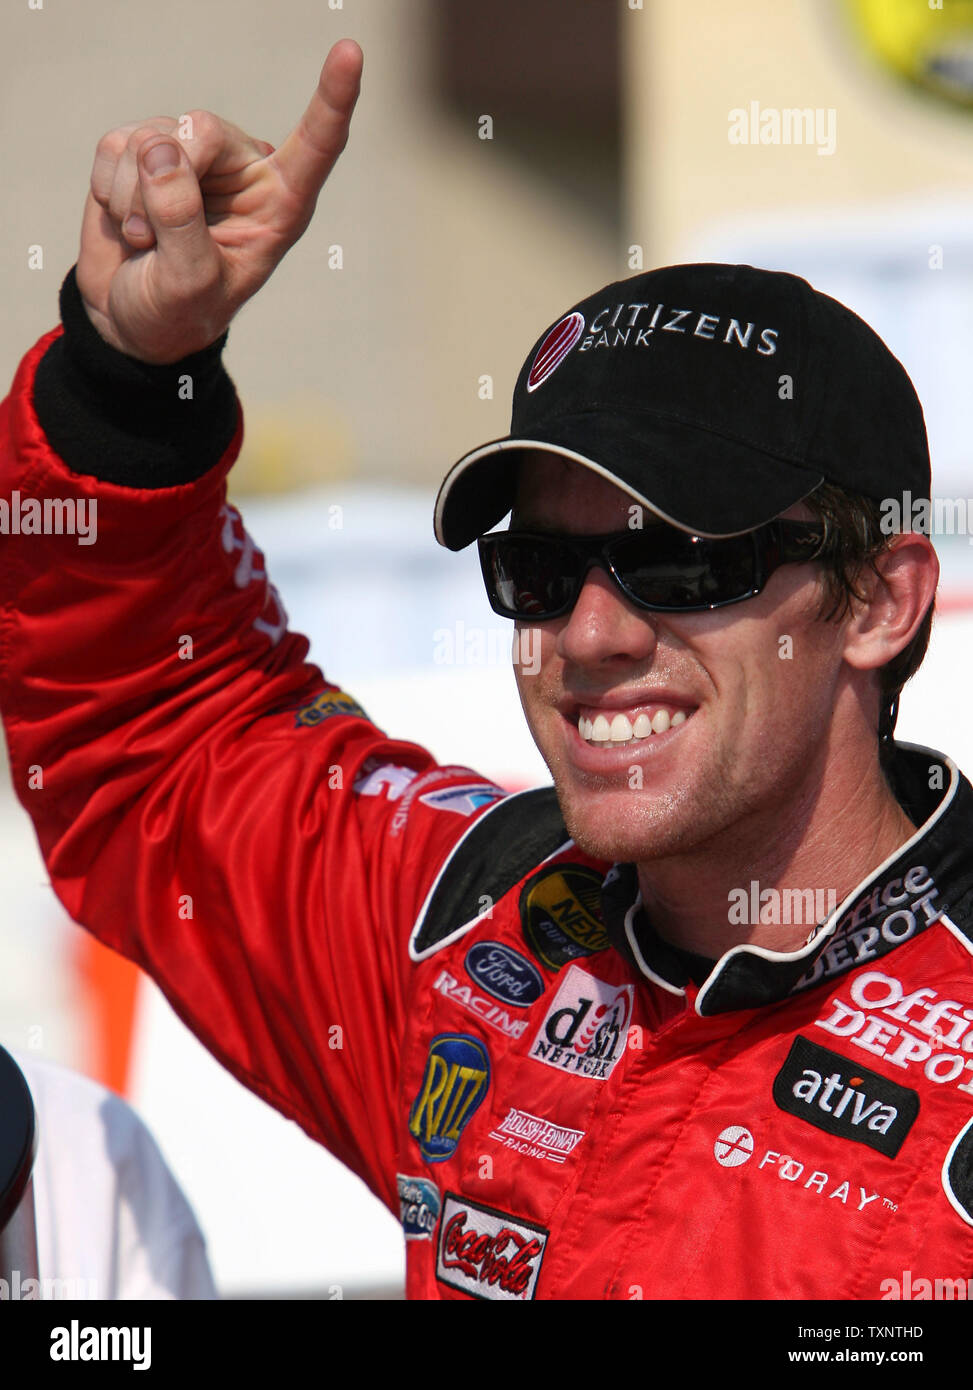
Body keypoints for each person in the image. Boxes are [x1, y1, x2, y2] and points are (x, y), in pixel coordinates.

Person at [0, 38, 969, 1301]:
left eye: (679, 563)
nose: (590, 634)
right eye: (542, 568)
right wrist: (129, 383)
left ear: (881, 601)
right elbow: (155, 735)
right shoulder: (472, 930)